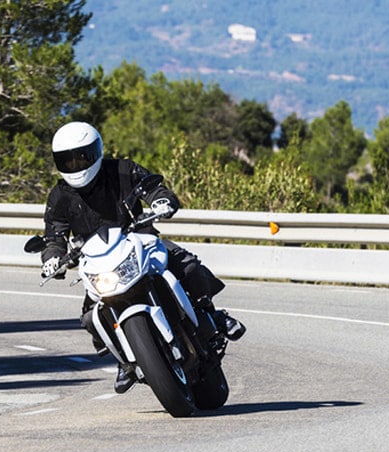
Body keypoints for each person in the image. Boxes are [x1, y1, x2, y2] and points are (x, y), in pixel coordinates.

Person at [40, 121, 246, 393]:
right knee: (90, 317)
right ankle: (125, 360)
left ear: (96, 151)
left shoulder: (122, 170)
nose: (76, 165)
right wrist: (52, 258)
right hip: (99, 261)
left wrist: (162, 200)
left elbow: (150, 187)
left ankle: (212, 314)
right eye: (68, 160)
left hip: (140, 240)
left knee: (186, 264)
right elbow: (53, 235)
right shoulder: (59, 196)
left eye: (82, 156)